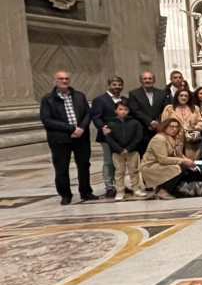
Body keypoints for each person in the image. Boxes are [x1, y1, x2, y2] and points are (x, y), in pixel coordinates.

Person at [39, 70, 96, 205]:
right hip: (60, 139)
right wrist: (71, 128)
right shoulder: (47, 99)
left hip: (81, 137)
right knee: (61, 167)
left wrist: (81, 128)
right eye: (61, 79)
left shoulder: (79, 96)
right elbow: (47, 120)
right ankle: (65, 194)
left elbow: (88, 114)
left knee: (84, 165)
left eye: (66, 79)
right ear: (55, 81)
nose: (64, 81)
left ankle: (86, 192)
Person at [142, 118, 202, 198]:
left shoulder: (172, 138)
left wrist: (189, 161)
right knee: (177, 168)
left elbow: (178, 155)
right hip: (151, 166)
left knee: (196, 167)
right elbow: (162, 159)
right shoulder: (159, 139)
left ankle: (185, 189)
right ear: (165, 127)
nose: (174, 129)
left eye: (176, 127)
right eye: (171, 127)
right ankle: (163, 190)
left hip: (162, 164)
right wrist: (183, 161)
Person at [90, 75, 127, 198]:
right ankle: (109, 186)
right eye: (114, 84)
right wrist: (103, 127)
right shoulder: (100, 100)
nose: (117, 87)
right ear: (109, 85)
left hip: (122, 135)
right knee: (109, 162)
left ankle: (120, 185)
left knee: (120, 161)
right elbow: (96, 117)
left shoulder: (124, 99)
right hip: (107, 135)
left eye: (119, 85)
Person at [103, 101, 147, 200]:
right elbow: (108, 138)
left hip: (132, 151)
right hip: (117, 152)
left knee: (134, 170)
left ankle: (136, 189)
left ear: (129, 111)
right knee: (119, 172)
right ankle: (120, 191)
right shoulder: (110, 123)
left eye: (126, 109)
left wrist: (129, 148)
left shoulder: (135, 122)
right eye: (120, 109)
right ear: (116, 110)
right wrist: (119, 149)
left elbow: (138, 137)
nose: (123, 112)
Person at [128, 71, 167, 153]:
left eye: (150, 78)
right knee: (144, 155)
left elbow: (165, 109)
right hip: (142, 130)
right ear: (141, 80)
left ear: (154, 80)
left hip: (159, 129)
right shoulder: (134, 94)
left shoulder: (162, 93)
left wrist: (157, 122)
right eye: (145, 78)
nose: (147, 80)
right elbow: (135, 110)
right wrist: (150, 122)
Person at [161, 88, 202, 160]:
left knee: (191, 162)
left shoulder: (195, 108)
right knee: (177, 162)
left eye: (186, 96)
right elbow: (163, 124)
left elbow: (201, 122)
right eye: (181, 95)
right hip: (174, 140)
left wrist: (194, 128)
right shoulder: (169, 108)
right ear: (177, 97)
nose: (183, 97)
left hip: (191, 141)